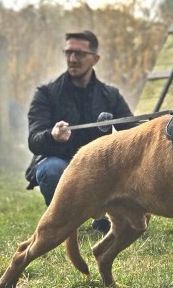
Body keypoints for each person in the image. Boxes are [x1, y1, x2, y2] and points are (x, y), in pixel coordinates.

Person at [24, 30, 137, 234]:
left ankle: (105, 219)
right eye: (68, 53)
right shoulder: (46, 94)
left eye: (79, 54)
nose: (73, 59)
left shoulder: (111, 95)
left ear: (95, 59)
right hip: (59, 162)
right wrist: (52, 136)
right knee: (51, 171)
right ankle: (61, 222)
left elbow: (132, 133)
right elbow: (34, 140)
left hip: (98, 166)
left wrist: (156, 127)